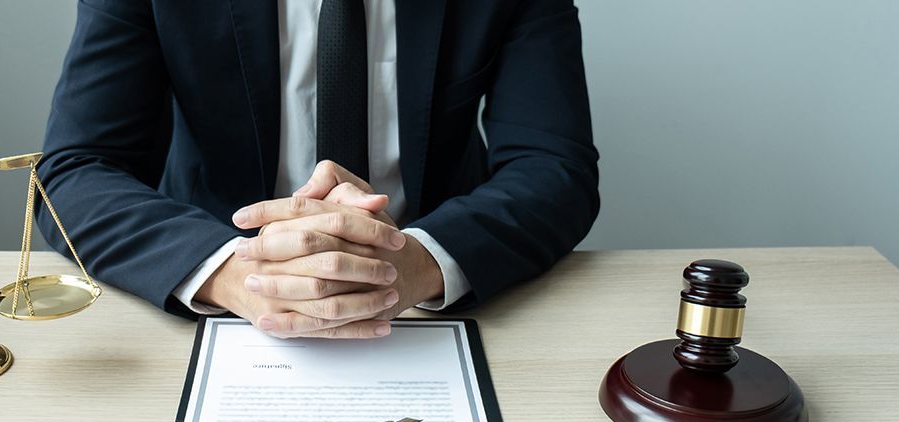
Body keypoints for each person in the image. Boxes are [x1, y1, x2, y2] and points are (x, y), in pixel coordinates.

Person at [37, 0, 599, 339]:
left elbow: (553, 166)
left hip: (435, 303)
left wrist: (421, 262)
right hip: (215, 300)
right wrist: (236, 272)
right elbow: (74, 172)